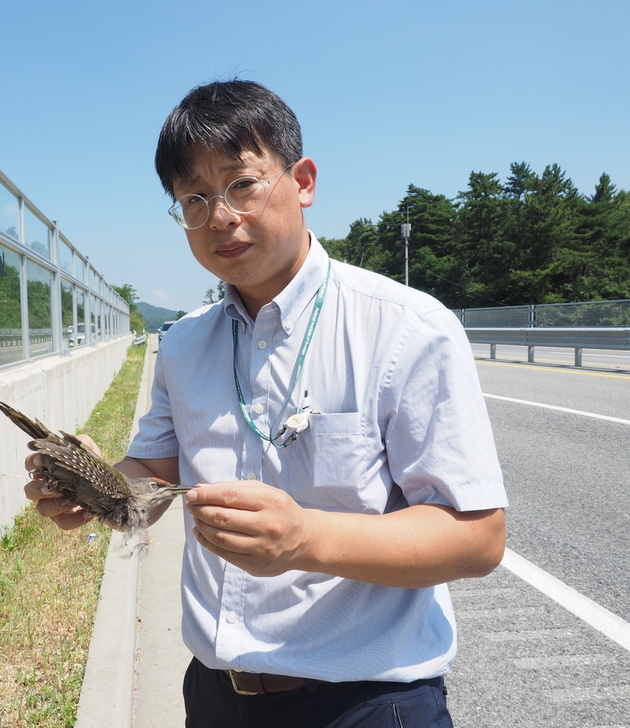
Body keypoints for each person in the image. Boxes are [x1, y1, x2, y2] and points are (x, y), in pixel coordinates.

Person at [25, 79, 507, 727]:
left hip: (368, 702)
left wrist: (306, 537)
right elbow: (152, 476)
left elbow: (477, 538)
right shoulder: (183, 345)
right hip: (217, 698)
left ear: (302, 181)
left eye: (241, 184)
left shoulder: (405, 328)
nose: (220, 215)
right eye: (193, 198)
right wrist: (96, 485)